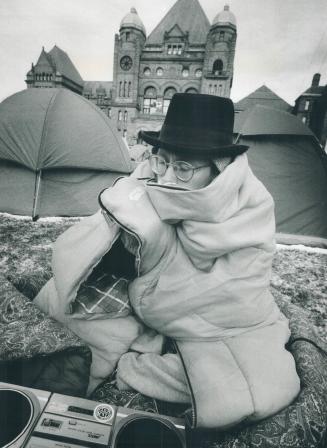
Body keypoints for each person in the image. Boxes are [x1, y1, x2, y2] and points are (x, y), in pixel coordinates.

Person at [34, 93, 300, 429]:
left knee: (257, 387)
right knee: (62, 300)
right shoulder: (150, 175)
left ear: (218, 166)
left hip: (210, 322)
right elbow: (85, 242)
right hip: (148, 303)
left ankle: (140, 365)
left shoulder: (251, 207)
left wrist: (152, 291)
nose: (167, 177)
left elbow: (234, 295)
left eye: (185, 167)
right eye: (162, 160)